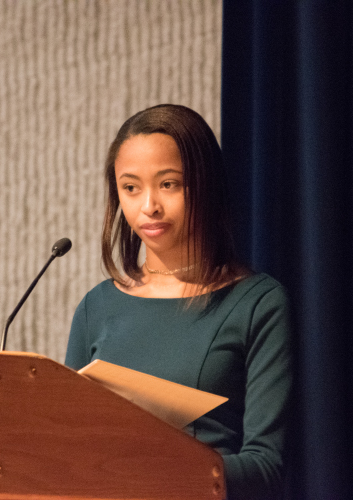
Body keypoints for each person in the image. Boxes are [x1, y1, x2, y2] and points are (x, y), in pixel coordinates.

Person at [65, 104, 292, 499]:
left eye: (168, 184)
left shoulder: (258, 303)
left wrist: (159, 468)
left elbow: (264, 466)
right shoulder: (95, 308)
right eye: (131, 188)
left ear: (204, 184)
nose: (148, 206)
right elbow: (64, 447)